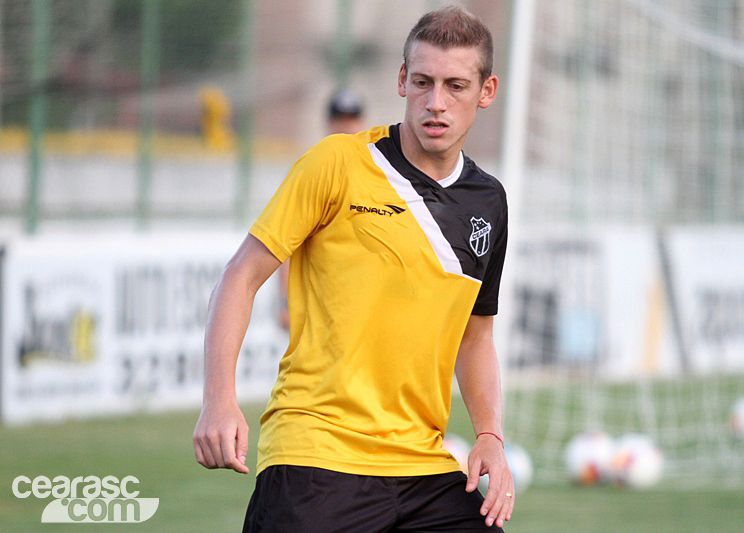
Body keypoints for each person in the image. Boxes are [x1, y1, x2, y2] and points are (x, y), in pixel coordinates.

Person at [193, 6, 512, 531]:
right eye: (424, 82)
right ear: (402, 80)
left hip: (421, 464)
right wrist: (218, 400)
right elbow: (240, 276)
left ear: (486, 91)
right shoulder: (337, 163)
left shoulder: (489, 201)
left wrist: (490, 437)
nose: (436, 102)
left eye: (455, 86)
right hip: (316, 454)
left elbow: (475, 336)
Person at [276, 88, 368, 331]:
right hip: (319, 304)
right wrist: (285, 302)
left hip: (362, 306)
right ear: (328, 123)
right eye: (340, 119)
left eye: (352, 119)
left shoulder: (376, 172)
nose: (346, 126)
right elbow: (286, 243)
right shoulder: (312, 171)